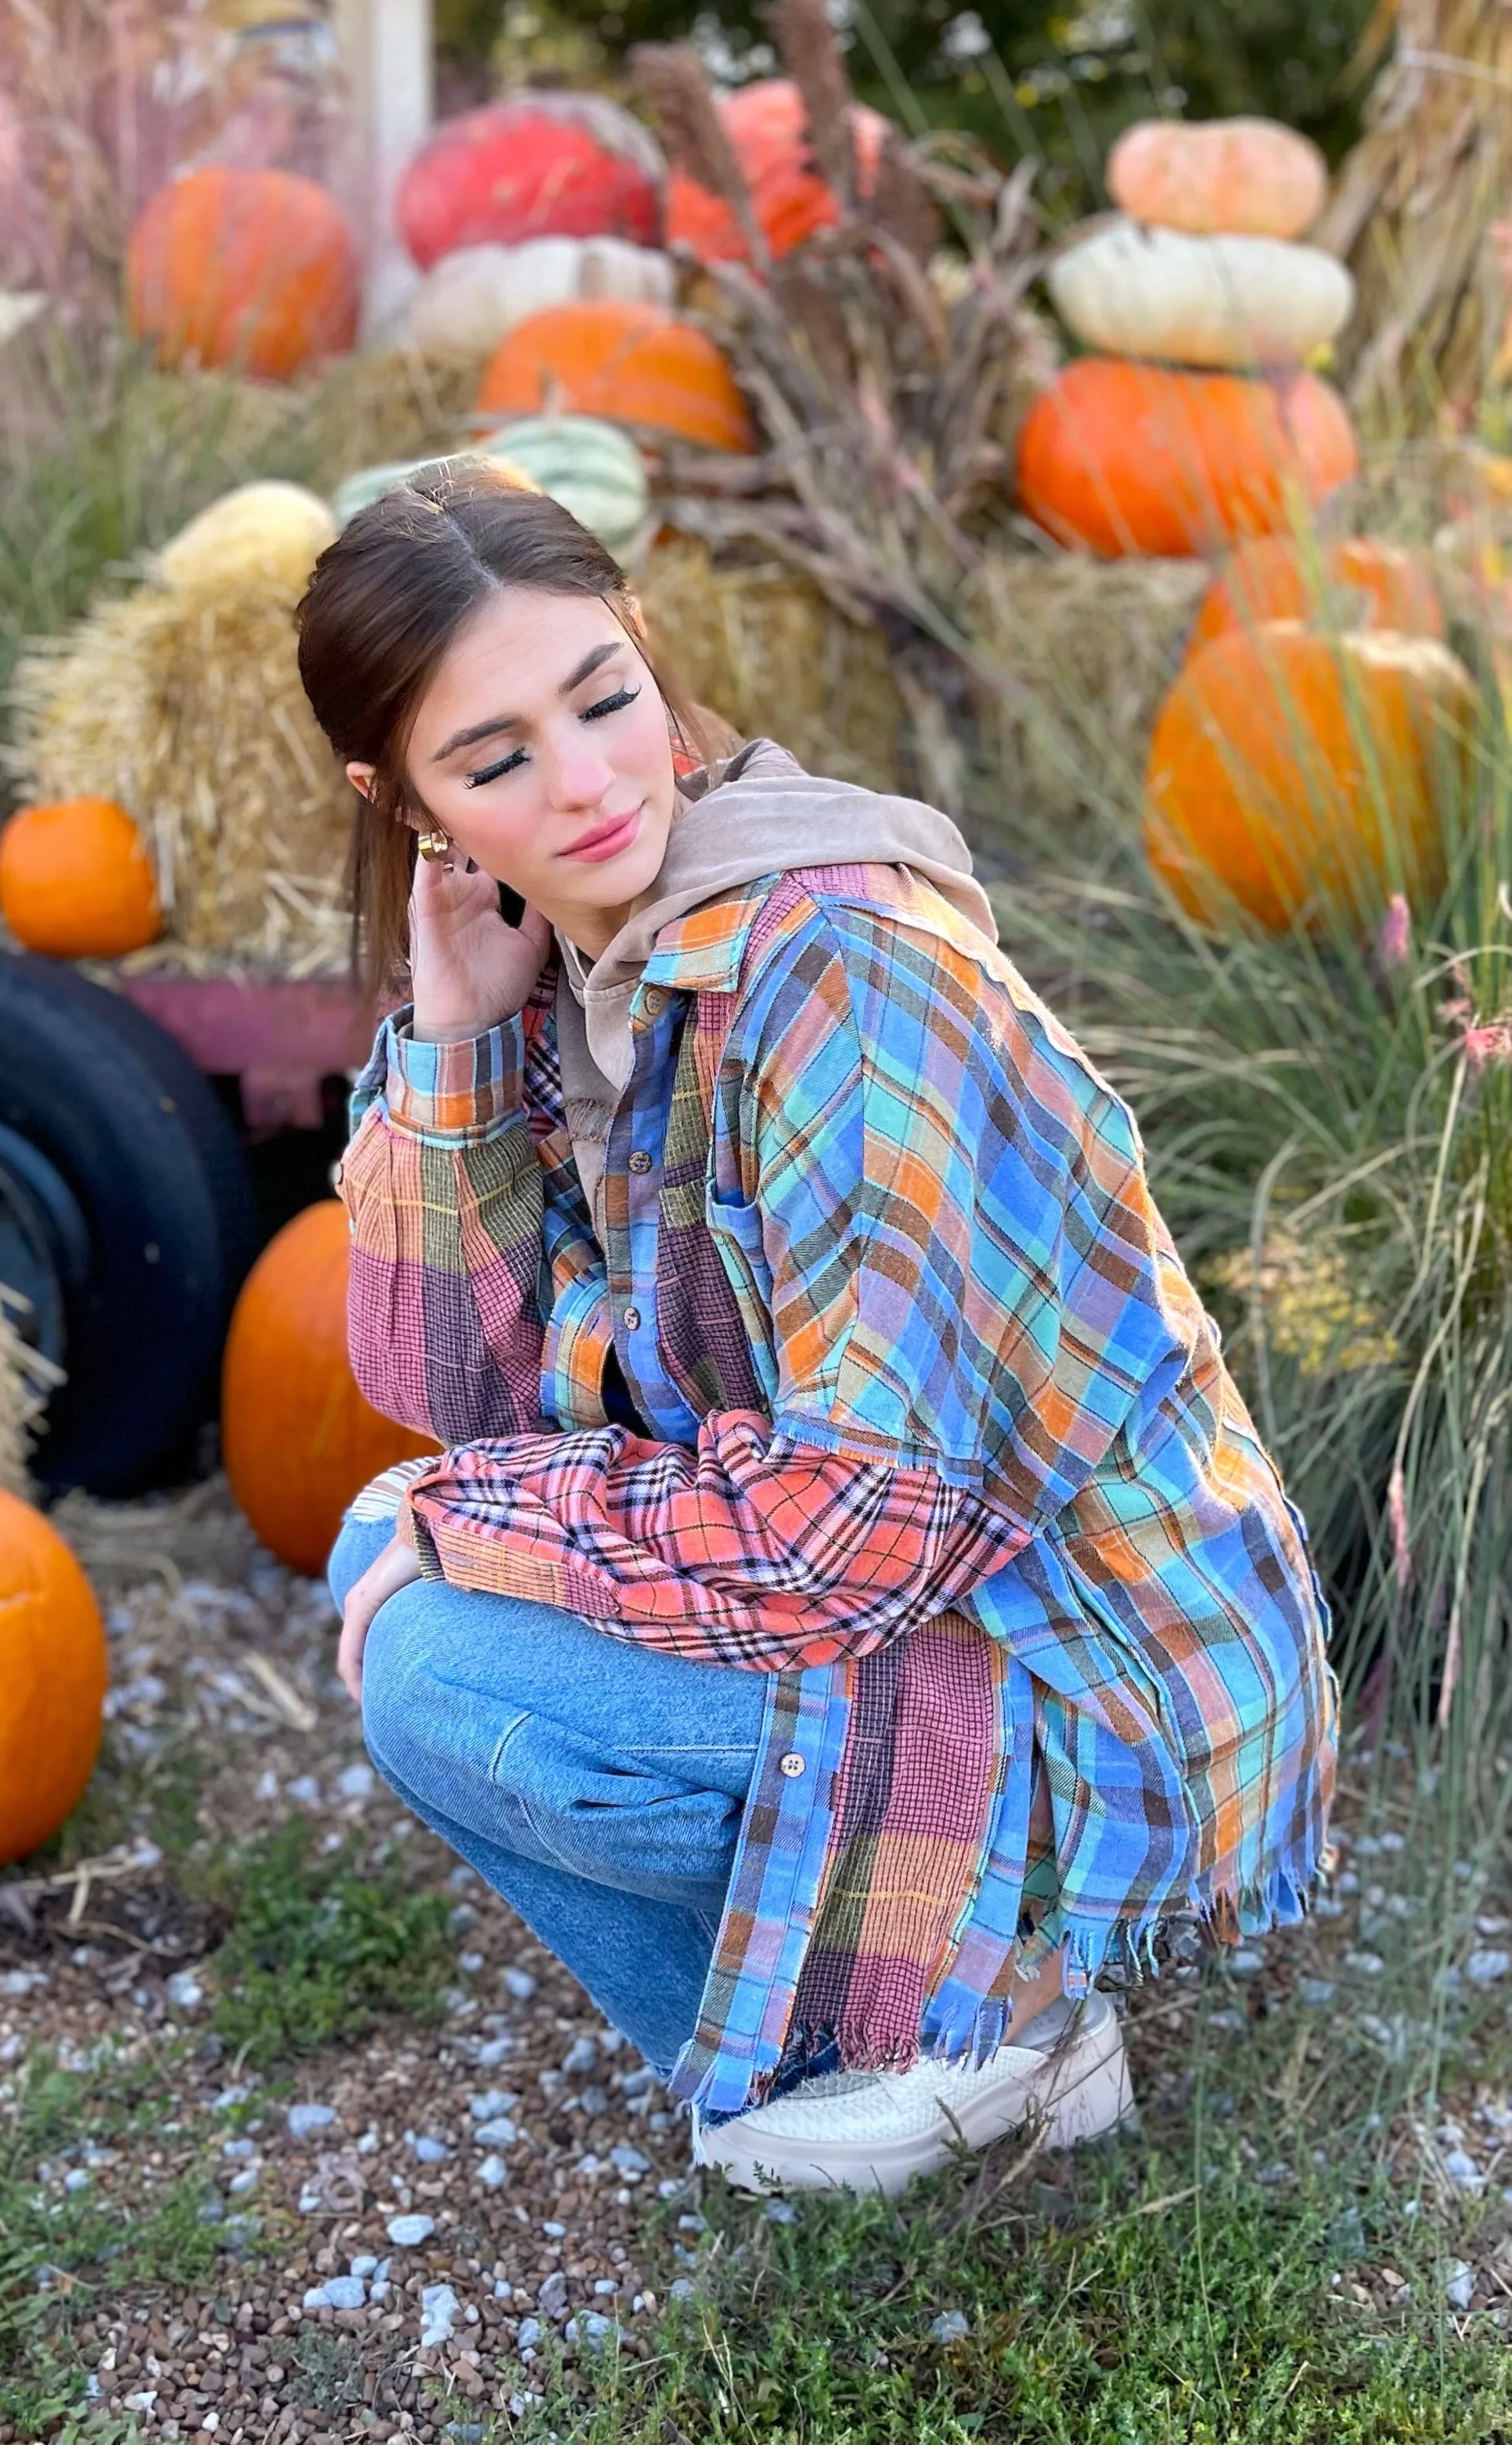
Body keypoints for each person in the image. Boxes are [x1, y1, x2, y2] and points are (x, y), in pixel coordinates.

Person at [295, 463, 1338, 2197]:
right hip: (895, 1599)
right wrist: (460, 1051)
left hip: (1070, 1663)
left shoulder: (840, 974)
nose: (588, 780)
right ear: (400, 801)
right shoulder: (590, 970)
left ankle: (972, 2017)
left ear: (645, 651)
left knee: (433, 1656)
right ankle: (906, 2027)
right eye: (493, 761)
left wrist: (454, 1526)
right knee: (383, 1545)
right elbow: (454, 1398)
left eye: (601, 696)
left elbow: (859, 1528)